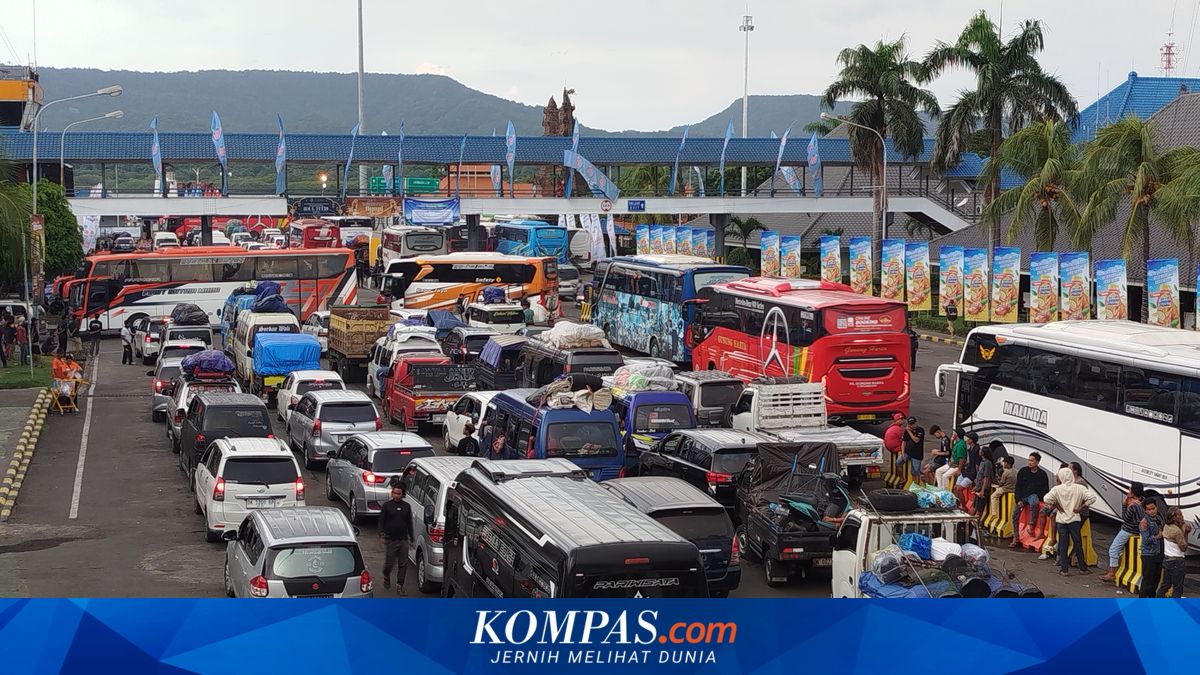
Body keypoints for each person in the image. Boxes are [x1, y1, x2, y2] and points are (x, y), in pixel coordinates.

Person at [1041, 466, 1096, 576]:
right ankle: (1083, 568)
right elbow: (1092, 498)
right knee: (1077, 543)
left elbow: (1046, 499)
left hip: (1061, 520)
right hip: (1075, 519)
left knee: (1063, 544)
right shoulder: (1079, 488)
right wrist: (1081, 507)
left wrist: (1057, 504)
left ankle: (1064, 570)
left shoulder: (1057, 489)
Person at [1101, 483, 1145, 582]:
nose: (1128, 491)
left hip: (1129, 530)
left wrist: (1125, 504)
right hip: (1138, 531)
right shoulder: (1143, 501)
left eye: (1130, 490)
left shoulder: (1133, 506)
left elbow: (1125, 518)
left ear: (1133, 493)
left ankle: (1111, 573)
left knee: (1113, 549)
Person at [378, 482, 414, 594]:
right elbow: (381, 521)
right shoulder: (387, 506)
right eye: (395, 493)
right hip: (390, 540)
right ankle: (386, 575)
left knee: (403, 564)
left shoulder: (406, 507)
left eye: (399, 494)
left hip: (403, 539)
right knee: (389, 563)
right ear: (392, 493)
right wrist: (381, 534)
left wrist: (411, 537)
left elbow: (409, 523)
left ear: (403, 494)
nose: (397, 496)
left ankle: (400, 585)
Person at [1010, 452, 1050, 549]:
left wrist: (1042, 497)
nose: (1029, 462)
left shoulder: (1042, 474)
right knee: (1015, 515)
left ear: (1037, 462)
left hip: (1033, 495)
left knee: (1034, 503)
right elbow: (1018, 487)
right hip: (1022, 496)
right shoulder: (1023, 471)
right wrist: (1018, 499)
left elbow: (1045, 489)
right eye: (1029, 460)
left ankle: (1031, 526)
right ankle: (1016, 537)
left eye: (1032, 461)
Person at [1157, 507, 1191, 598]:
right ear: (1174, 517)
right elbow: (1183, 548)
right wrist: (1186, 533)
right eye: (1179, 514)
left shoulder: (1166, 526)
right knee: (1177, 588)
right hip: (1177, 562)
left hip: (1167, 560)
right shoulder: (1177, 531)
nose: (1182, 516)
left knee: (1165, 585)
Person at [1138, 498, 1165, 598]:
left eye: (1153, 508)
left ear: (1156, 507)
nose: (1152, 511)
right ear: (1145, 510)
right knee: (1147, 581)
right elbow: (1145, 540)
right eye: (1149, 509)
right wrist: (1158, 536)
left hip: (1159, 553)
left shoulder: (1159, 518)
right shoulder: (1144, 522)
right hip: (1149, 555)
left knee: (1156, 580)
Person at [972, 444, 995, 514]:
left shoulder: (987, 463)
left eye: (981, 450)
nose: (979, 451)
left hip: (983, 488)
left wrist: (982, 490)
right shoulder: (982, 462)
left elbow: (986, 477)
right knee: (975, 506)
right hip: (979, 487)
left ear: (983, 453)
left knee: (979, 509)